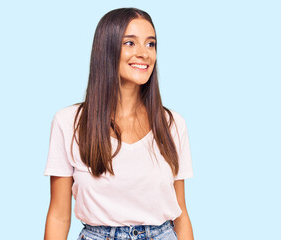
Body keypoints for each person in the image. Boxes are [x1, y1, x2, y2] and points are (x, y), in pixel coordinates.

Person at [43, 7, 194, 240]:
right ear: (107, 49)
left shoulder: (172, 124)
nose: (144, 53)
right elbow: (59, 216)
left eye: (150, 44)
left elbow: (181, 213)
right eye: (130, 43)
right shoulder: (69, 123)